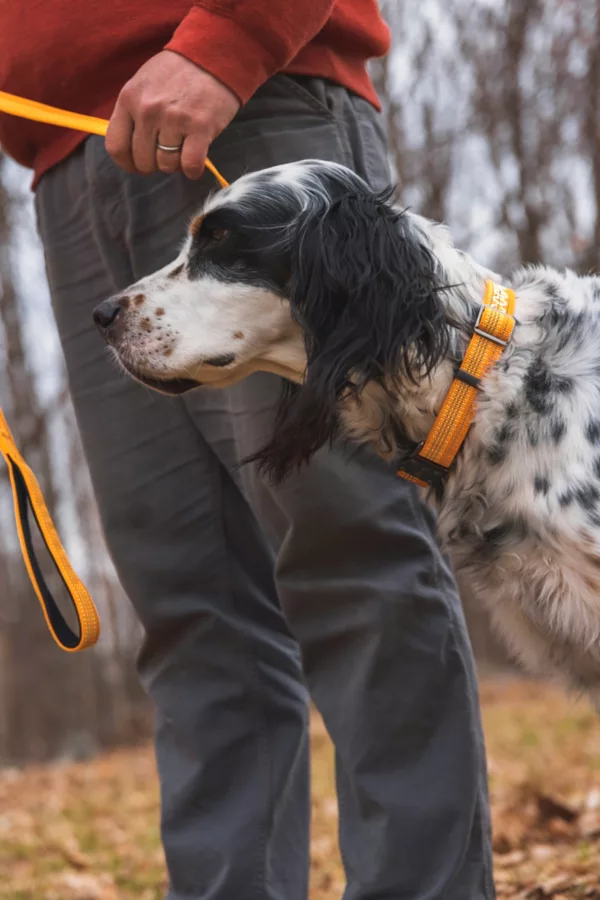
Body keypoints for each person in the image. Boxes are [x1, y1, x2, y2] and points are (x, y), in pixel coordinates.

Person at [0, 3, 495, 898]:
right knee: (191, 602)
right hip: (66, 170)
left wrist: (225, 46)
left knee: (355, 561)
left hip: (245, 104)